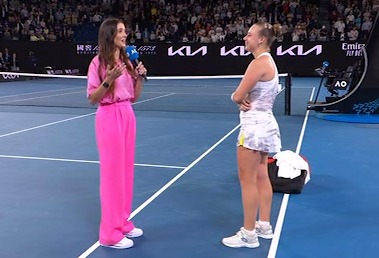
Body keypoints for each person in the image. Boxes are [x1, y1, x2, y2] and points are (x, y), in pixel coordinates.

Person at [86, 17, 147, 249]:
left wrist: (139, 77)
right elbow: (93, 98)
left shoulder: (127, 61)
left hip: (127, 113)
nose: (125, 35)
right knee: (112, 176)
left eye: (125, 31)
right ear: (110, 35)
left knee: (125, 172)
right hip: (109, 116)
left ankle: (121, 222)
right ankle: (109, 234)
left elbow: (134, 96)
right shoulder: (98, 63)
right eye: (120, 31)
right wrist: (108, 81)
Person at [222, 22, 281, 249]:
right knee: (261, 176)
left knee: (247, 181)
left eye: (249, 35)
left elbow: (238, 96)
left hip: (253, 127)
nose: (245, 38)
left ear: (261, 40)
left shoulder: (258, 64)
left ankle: (248, 234)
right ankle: (264, 226)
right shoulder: (270, 62)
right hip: (265, 124)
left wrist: (237, 99)